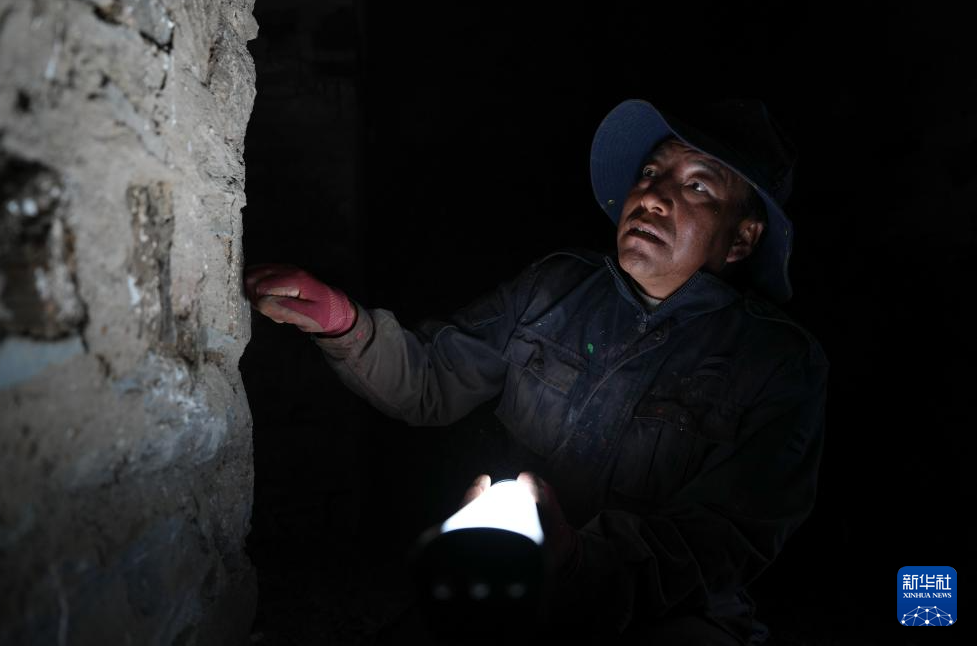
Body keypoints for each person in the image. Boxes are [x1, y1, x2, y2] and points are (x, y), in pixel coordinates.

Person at [244, 98, 828, 644]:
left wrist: (578, 558)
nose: (653, 196)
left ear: (742, 239)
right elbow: (430, 381)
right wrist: (345, 325)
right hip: (508, 579)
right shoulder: (555, 288)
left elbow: (725, 538)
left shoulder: (776, 362)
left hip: (670, 617)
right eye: (650, 173)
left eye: (697, 185)